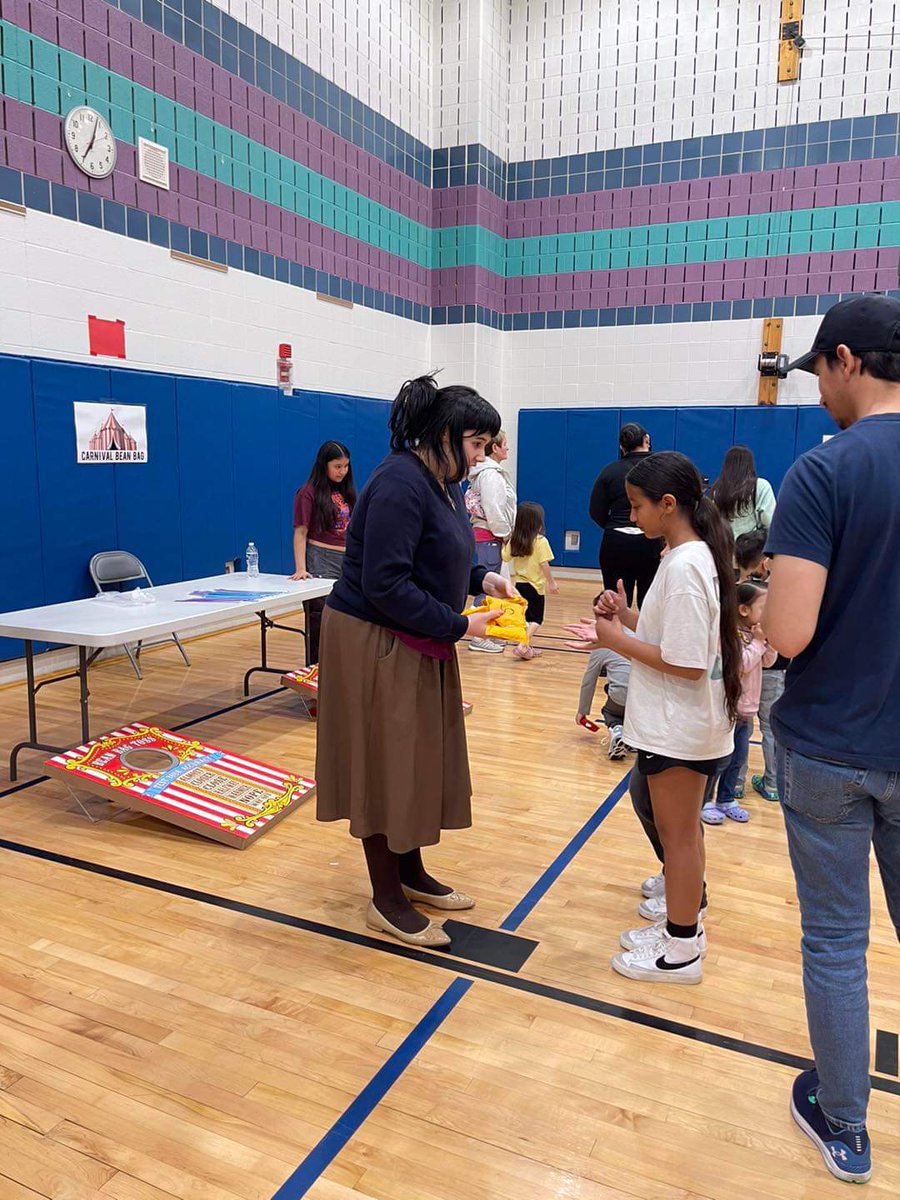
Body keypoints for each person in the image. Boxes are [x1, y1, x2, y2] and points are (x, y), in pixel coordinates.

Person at [763, 294, 900, 1185]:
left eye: (818, 370)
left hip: (829, 748)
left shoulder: (824, 473)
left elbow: (789, 635)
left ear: (847, 359)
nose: (816, 391)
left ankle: (845, 1127)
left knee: (837, 943)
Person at [315, 374, 515, 948]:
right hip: (373, 640)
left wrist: (483, 576)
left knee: (416, 762)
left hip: (414, 637)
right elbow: (384, 583)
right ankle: (385, 897)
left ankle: (410, 871)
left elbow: (442, 553)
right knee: (383, 765)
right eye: (476, 444)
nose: (480, 457)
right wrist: (458, 624)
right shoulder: (399, 482)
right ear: (445, 434)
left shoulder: (444, 481)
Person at [567, 451, 740, 984]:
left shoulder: (687, 565)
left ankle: (681, 950)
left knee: (680, 837)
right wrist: (626, 617)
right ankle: (680, 926)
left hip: (681, 727)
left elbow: (686, 664)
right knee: (681, 833)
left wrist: (616, 640)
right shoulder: (681, 556)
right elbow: (673, 635)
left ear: (669, 505)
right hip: (680, 724)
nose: (632, 515)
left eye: (638, 506)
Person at [700, 580, 776, 825]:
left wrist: (767, 641)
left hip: (746, 712)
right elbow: (741, 666)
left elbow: (767, 662)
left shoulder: (755, 635)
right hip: (728, 710)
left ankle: (726, 798)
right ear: (744, 610)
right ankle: (704, 801)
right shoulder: (729, 636)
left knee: (738, 759)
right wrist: (757, 642)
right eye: (764, 608)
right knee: (719, 760)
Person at [291, 441, 356, 664]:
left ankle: (344, 671)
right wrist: (301, 568)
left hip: (346, 559)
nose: (342, 471)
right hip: (321, 559)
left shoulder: (344, 490)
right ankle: (317, 673)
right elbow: (300, 532)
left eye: (346, 466)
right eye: (337, 466)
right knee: (321, 619)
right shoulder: (307, 493)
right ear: (324, 465)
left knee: (347, 618)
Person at [589, 422, 661, 607]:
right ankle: (646, 637)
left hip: (616, 543)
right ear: (647, 440)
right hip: (651, 542)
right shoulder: (661, 470)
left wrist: (614, 526)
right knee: (650, 603)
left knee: (616, 602)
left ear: (622, 447)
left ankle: (617, 635)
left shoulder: (610, 471)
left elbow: (596, 511)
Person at [466, 430, 517, 653]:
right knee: (485, 587)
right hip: (489, 536)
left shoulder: (490, 473)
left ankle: (487, 630)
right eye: (504, 444)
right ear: (494, 448)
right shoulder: (490, 475)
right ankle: (477, 637)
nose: (507, 448)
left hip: (489, 536)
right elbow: (493, 509)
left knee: (491, 585)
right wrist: (505, 533)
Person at [576, 593, 632, 760]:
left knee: (611, 707)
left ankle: (617, 729)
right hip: (648, 699)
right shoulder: (641, 633)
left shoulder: (601, 643)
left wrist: (582, 711)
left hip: (622, 698)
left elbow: (589, 681)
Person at [501, 502, 559, 660]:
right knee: (536, 619)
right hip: (535, 586)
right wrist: (551, 582)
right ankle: (523, 644)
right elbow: (544, 565)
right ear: (538, 523)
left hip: (519, 585)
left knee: (526, 618)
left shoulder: (516, 539)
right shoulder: (540, 542)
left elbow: (505, 557)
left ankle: (526, 646)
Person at [710, 445, 776, 540]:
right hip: (751, 550)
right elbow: (770, 520)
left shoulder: (717, 489)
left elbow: (712, 522)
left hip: (723, 547)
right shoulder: (761, 485)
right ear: (750, 464)